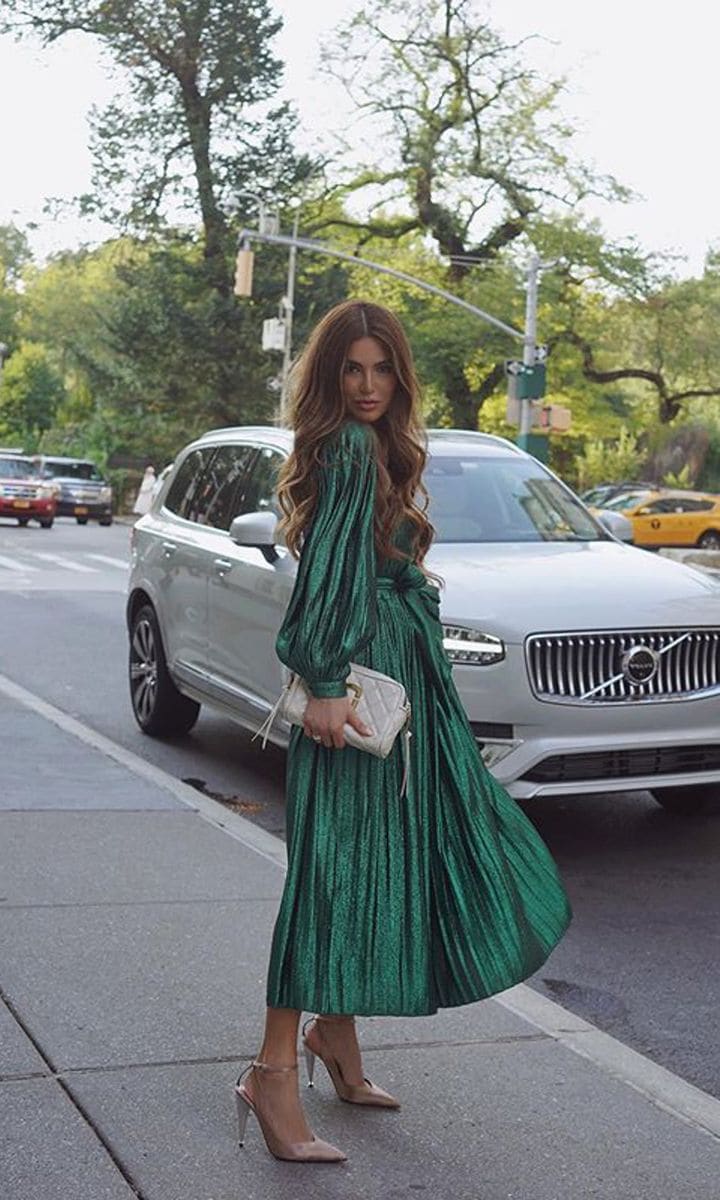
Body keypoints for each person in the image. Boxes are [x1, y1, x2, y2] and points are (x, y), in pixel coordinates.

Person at [234, 300, 572, 1164]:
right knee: (331, 873)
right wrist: (320, 680)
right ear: (330, 377)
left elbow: (360, 562)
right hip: (357, 684)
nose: (370, 386)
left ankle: (334, 1039)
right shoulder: (348, 446)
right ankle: (271, 1072)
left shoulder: (375, 445)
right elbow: (331, 576)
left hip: (392, 677)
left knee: (365, 859)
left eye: (383, 369)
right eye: (352, 369)